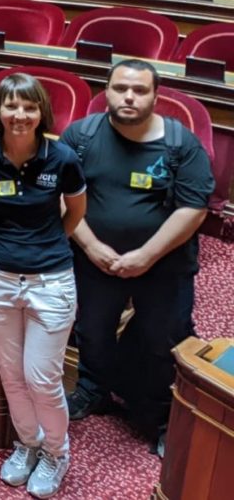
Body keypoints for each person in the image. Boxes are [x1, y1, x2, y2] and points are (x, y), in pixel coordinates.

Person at [61, 61, 213, 456]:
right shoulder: (81, 136)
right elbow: (62, 195)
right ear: (106, 92)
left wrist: (146, 255)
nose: (129, 96)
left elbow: (193, 209)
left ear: (155, 96)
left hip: (163, 263)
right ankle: (94, 391)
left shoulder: (182, 145)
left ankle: (163, 417)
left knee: (164, 339)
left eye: (140, 90)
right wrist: (92, 246)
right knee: (92, 328)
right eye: (121, 88)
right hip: (96, 259)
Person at [0, 73, 87, 498]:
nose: (19, 115)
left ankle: (56, 452)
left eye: (29, 107)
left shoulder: (63, 158)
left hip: (50, 283)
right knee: (11, 375)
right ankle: (28, 445)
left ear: (41, 113)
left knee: (42, 378)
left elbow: (76, 210)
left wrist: (48, 247)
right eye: (11, 106)